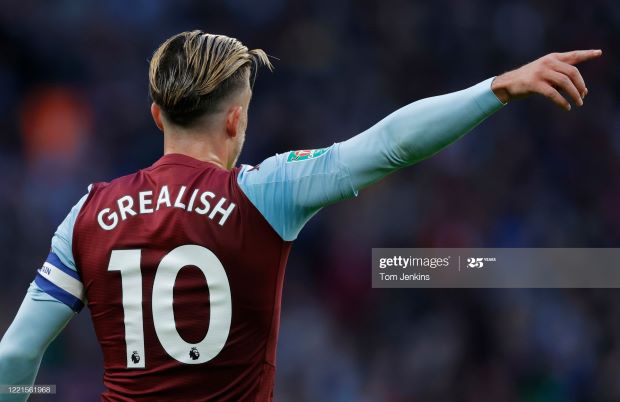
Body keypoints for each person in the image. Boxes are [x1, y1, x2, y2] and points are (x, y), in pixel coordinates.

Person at [0, 30, 601, 401]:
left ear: (158, 115)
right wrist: (496, 87)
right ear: (236, 119)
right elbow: (390, 144)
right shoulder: (265, 193)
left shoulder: (89, 212)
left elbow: (16, 358)